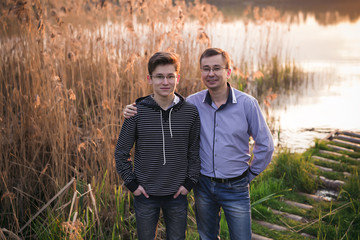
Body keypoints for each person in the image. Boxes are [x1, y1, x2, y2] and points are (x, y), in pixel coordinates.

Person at [123, 48, 274, 240]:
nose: (211, 73)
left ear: (228, 71)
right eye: (206, 69)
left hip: (236, 186)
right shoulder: (192, 104)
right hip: (203, 186)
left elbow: (266, 146)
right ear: (201, 72)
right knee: (207, 237)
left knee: (242, 237)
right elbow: (164, 105)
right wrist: (133, 108)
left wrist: (250, 174)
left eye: (216, 68)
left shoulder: (247, 104)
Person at [115, 52, 201, 240]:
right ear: (150, 79)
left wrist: (189, 183)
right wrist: (132, 184)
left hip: (177, 194)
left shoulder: (190, 112)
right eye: (159, 76)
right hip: (145, 195)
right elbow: (121, 152)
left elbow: (194, 152)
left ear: (177, 78)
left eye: (170, 76)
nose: (165, 82)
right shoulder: (136, 112)